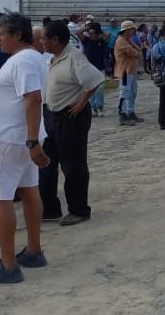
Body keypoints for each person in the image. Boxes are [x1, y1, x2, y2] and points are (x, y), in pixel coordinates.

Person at [0, 13, 49, 286]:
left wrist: (32, 141)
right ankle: (33, 250)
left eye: (2, 33)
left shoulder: (23, 60)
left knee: (0, 197)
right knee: (29, 191)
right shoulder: (30, 59)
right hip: (21, 139)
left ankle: (8, 265)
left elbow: (33, 98)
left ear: (17, 34)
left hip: (12, 140)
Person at [39, 20, 104, 227]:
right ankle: (49, 209)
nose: (41, 42)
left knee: (73, 166)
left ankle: (79, 210)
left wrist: (81, 103)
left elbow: (95, 80)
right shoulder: (54, 57)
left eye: (44, 38)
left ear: (55, 40)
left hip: (70, 117)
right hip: (51, 116)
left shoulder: (74, 57)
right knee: (47, 164)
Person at [114, 20, 143, 126]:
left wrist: (135, 46)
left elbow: (139, 50)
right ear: (127, 30)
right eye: (132, 29)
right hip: (125, 70)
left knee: (132, 92)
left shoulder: (129, 40)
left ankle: (130, 112)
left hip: (132, 70)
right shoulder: (120, 41)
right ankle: (122, 113)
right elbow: (134, 53)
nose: (134, 31)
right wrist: (138, 52)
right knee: (125, 92)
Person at [82, 23, 108, 116]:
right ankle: (93, 108)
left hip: (100, 67)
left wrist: (100, 30)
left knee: (100, 89)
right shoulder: (86, 40)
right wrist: (87, 28)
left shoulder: (102, 41)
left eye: (93, 33)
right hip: (88, 68)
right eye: (90, 33)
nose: (91, 35)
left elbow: (107, 36)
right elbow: (77, 32)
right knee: (90, 89)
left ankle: (100, 106)